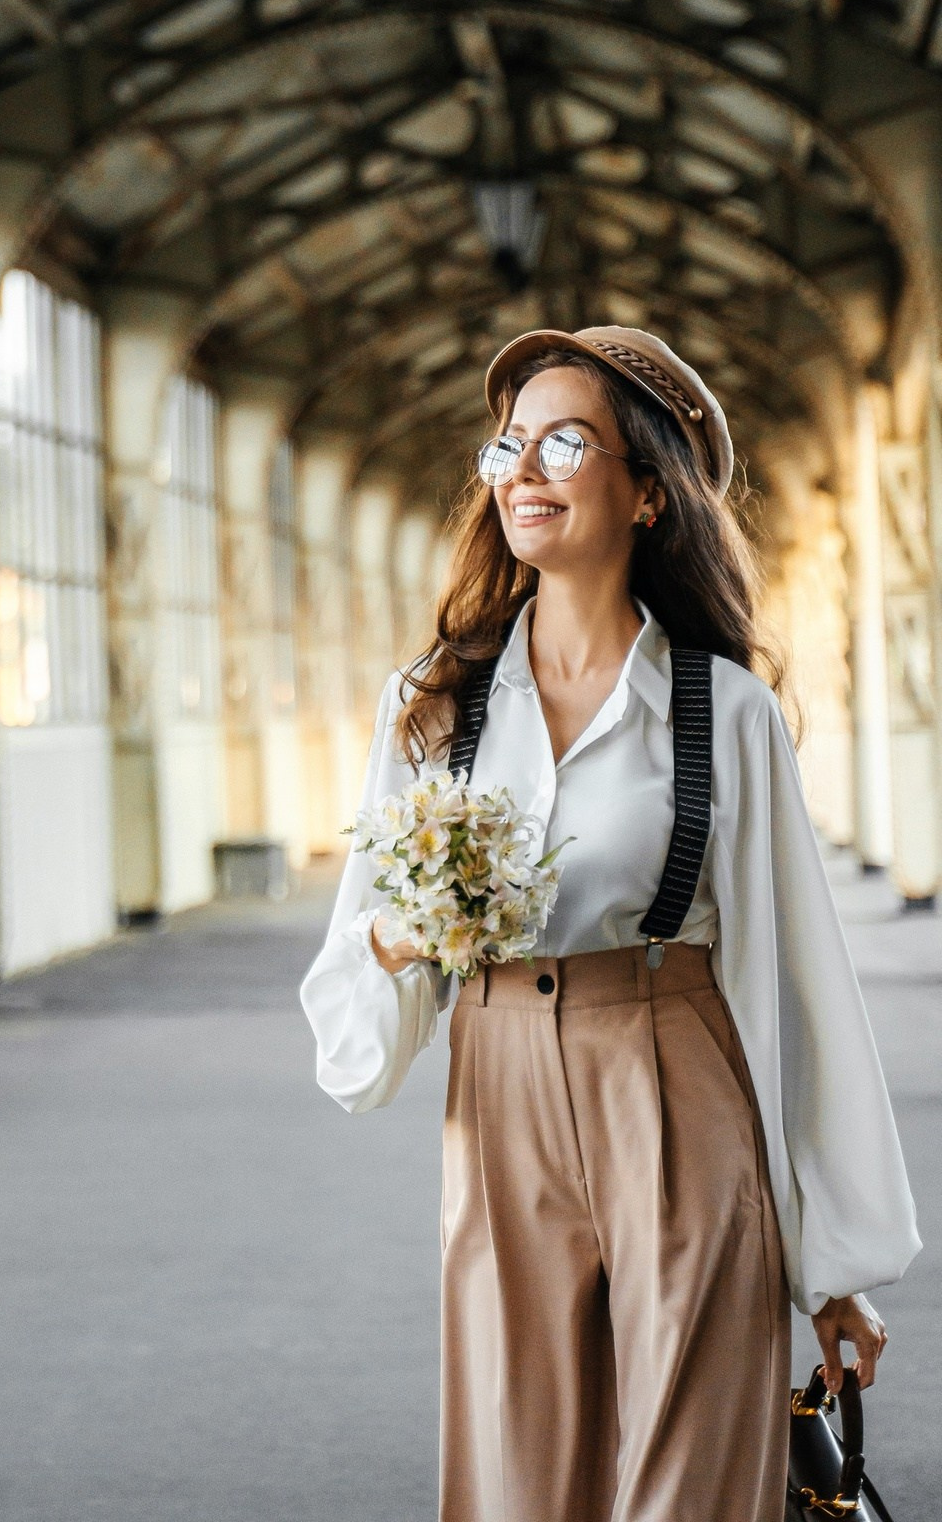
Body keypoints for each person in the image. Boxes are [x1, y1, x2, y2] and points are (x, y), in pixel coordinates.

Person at [301, 327, 919, 1522]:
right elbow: (362, 976)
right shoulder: (432, 705)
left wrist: (836, 1268)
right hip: (498, 1096)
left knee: (691, 1480)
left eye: (565, 442)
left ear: (646, 492)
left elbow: (796, 986)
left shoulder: (723, 712)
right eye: (509, 445)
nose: (525, 469)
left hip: (679, 1083)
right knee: (520, 1474)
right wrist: (394, 954)